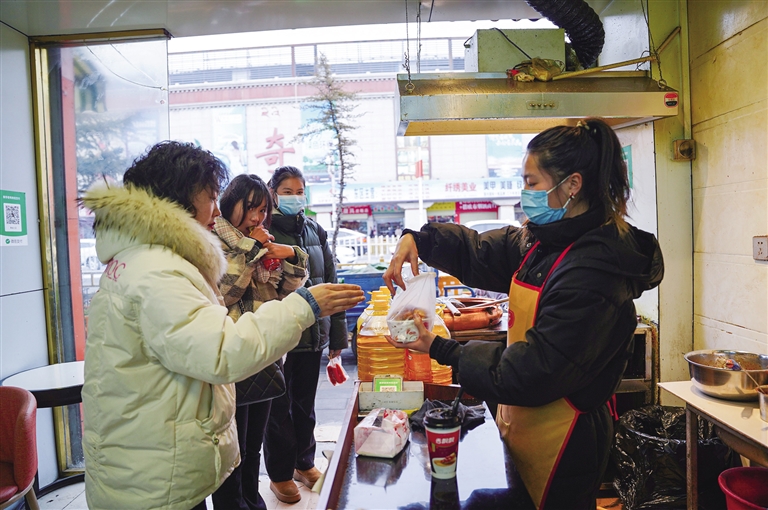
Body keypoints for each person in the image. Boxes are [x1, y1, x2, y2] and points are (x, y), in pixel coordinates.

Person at [383, 118, 664, 510]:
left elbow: (534, 370)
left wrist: (440, 348)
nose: (524, 194)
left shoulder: (593, 269)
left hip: (565, 440)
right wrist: (419, 239)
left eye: (532, 183)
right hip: (525, 422)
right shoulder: (545, 242)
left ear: (572, 185)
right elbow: (481, 252)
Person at [80, 142, 364, 510]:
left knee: (257, 439)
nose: (216, 209)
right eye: (212, 197)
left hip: (156, 455)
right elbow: (220, 350)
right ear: (182, 197)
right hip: (152, 472)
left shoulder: (147, 256)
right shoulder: (158, 270)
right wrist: (305, 305)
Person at [211, 173, 308, 510]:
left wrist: (290, 255)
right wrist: (252, 250)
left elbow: (283, 291)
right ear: (230, 204)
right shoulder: (214, 242)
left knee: (253, 446)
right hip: (232, 355)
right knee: (231, 449)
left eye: (262, 210)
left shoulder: (261, 242)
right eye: (250, 208)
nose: (256, 217)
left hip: (263, 354)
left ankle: (253, 502)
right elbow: (223, 294)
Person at [262, 165, 348, 504]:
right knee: (278, 411)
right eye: (287, 192)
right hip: (279, 335)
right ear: (273, 194)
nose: (295, 197)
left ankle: (304, 463)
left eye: (300, 192)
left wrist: (337, 339)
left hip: (313, 334)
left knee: (305, 405)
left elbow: (331, 281)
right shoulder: (264, 233)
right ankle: (280, 474)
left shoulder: (315, 230)